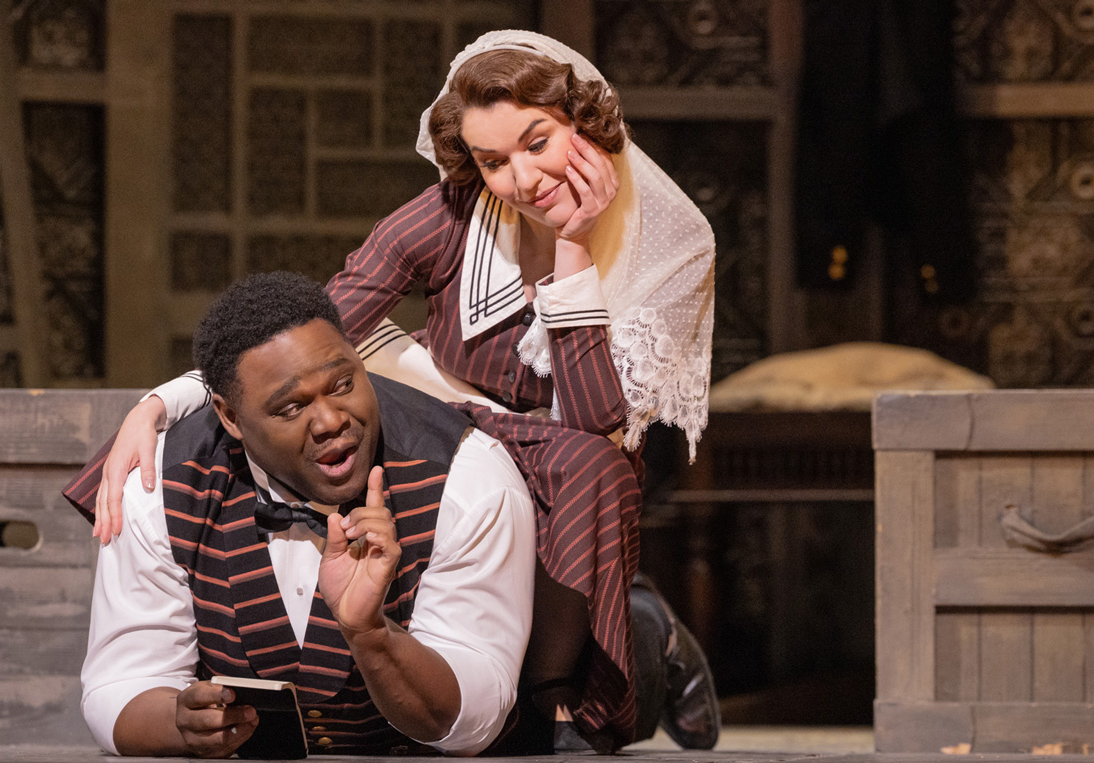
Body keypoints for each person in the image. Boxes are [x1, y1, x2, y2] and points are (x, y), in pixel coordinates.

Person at [66, 30, 719, 752]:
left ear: (585, 124)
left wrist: (573, 249)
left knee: (592, 469)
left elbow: (598, 421)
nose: (524, 179)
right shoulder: (453, 213)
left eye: (538, 143)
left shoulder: (674, 245)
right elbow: (319, 325)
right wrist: (167, 400)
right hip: (449, 422)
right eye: (493, 161)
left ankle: (604, 663)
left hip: (575, 459)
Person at [80, 272, 536, 757]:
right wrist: (180, 725)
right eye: (291, 408)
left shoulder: (466, 480)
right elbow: (120, 684)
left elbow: (475, 722)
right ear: (230, 418)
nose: (331, 420)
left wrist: (371, 636)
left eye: (343, 384)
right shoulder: (163, 486)